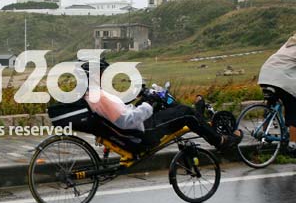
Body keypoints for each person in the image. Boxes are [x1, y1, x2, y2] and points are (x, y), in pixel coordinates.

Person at [82, 60, 241, 153]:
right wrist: (147, 105)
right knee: (186, 112)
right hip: (142, 132)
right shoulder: (100, 97)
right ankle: (220, 141)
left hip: (134, 128)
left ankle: (196, 116)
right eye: (102, 73)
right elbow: (127, 120)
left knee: (173, 109)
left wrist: (142, 102)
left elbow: (119, 113)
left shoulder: (92, 95)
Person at [258, 33, 296, 154]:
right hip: (279, 78)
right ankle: (293, 144)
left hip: (265, 75)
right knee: (293, 107)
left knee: (272, 103)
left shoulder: (288, 45)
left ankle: (263, 132)